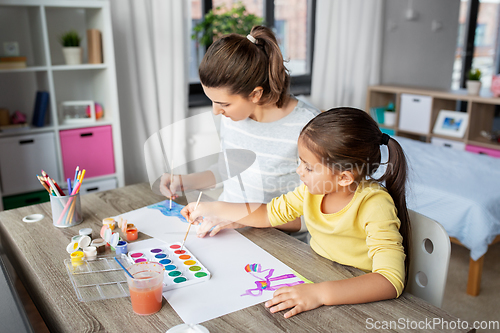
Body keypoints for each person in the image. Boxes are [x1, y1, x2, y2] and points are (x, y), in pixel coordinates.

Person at [181, 107, 411, 319]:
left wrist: (320, 294)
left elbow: (389, 280)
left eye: (309, 167)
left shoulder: (374, 204)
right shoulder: (313, 191)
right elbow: (267, 213)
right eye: (300, 162)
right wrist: (211, 207)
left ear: (344, 177)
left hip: (359, 298)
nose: (299, 171)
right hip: (320, 276)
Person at [160, 25, 320, 238]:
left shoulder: (308, 127)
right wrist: (186, 181)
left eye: (223, 104)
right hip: (227, 232)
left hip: (278, 246)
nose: (216, 112)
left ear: (255, 94)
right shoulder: (235, 117)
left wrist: (239, 218)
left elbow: (311, 218)